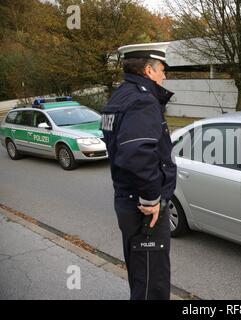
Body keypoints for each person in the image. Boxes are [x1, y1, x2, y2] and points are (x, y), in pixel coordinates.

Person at [101, 42, 176, 300]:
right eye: (162, 69)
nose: (164, 75)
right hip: (144, 210)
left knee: (141, 274)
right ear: (148, 70)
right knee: (151, 284)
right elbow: (136, 155)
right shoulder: (142, 101)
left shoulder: (120, 95)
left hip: (127, 201)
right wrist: (151, 199)